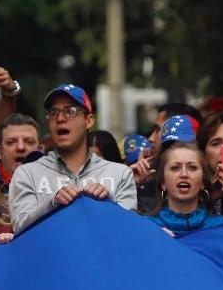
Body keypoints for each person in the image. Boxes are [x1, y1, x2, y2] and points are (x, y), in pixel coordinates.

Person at [9, 84, 137, 232]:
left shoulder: (120, 174)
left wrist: (108, 204)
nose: (60, 118)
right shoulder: (27, 174)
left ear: (88, 121)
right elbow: (20, 228)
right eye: (53, 112)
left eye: (70, 111)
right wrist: (53, 203)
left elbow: (130, 231)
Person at [144, 141, 223, 237]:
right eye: (175, 168)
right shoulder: (147, 227)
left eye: (192, 168)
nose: (184, 174)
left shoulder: (222, 226)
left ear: (203, 181)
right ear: (163, 183)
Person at [0, 113, 43, 190]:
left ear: (40, 150)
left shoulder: (56, 187)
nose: (21, 147)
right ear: (0, 152)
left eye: (29, 142)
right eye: (11, 142)